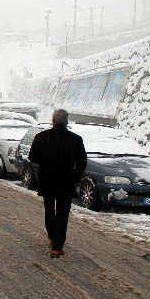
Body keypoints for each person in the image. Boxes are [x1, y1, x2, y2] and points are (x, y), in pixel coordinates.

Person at [28, 109, 87, 258]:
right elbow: (82, 162)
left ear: (52, 121)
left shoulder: (41, 137)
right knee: (63, 213)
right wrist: (76, 177)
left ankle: (52, 237)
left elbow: (32, 157)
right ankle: (57, 246)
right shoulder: (75, 139)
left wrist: (46, 163)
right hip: (66, 182)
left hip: (47, 180)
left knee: (49, 209)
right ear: (66, 122)